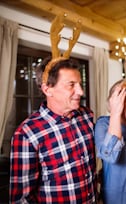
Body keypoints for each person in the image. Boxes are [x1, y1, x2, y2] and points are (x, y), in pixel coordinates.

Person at [9, 57, 97, 203]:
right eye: (71, 85)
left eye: (80, 84)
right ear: (47, 89)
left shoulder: (86, 116)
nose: (80, 92)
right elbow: (21, 199)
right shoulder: (27, 134)